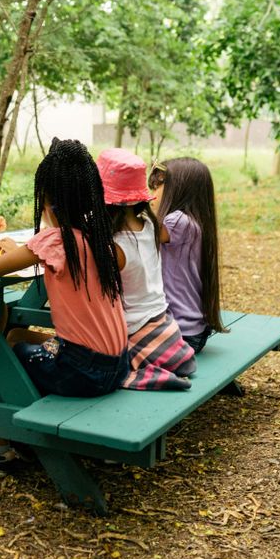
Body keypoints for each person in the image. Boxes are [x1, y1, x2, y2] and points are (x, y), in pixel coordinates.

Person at [0, 138, 130, 476]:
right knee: (14, 336)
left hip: (82, 371)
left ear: (45, 201)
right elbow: (47, 253)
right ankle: (18, 434)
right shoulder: (98, 238)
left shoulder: (53, 240)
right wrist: (19, 247)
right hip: (117, 364)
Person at [97, 148, 196, 390]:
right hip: (166, 328)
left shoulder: (114, 246)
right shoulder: (153, 226)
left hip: (136, 333)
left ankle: (148, 374)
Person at [148, 158, 225, 353]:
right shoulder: (192, 223)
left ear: (180, 189)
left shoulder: (178, 221)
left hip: (181, 333)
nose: (152, 193)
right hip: (191, 331)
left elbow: (140, 230)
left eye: (159, 186)